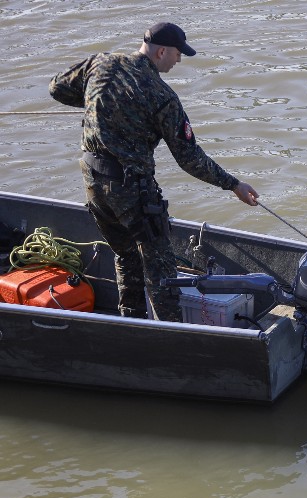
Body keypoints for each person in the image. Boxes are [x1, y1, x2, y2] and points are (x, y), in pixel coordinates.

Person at [49, 22, 260, 321]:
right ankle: (170, 335)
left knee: (126, 255)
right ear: (162, 51)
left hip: (93, 180)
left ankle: (131, 321)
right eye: (178, 53)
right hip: (131, 190)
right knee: (161, 272)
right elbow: (189, 158)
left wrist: (98, 104)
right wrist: (233, 184)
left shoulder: (101, 62)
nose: (179, 60)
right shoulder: (163, 97)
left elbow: (56, 87)